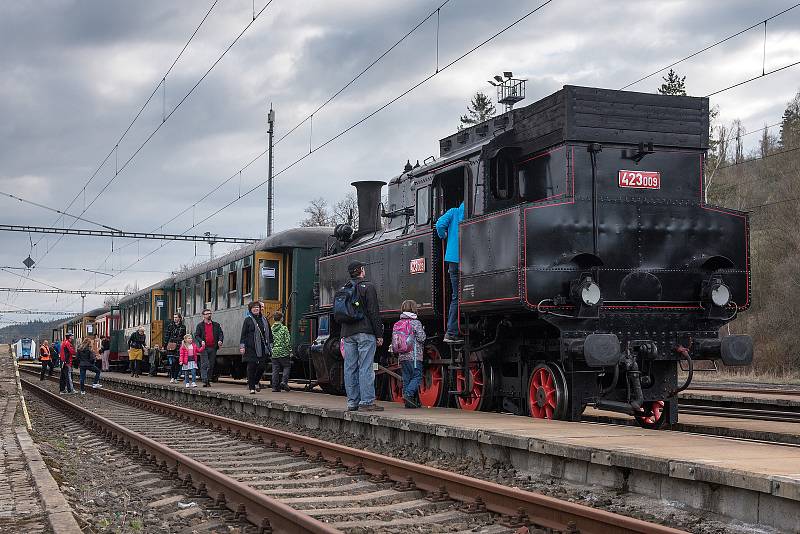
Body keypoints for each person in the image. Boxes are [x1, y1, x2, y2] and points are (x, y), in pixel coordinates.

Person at [340, 260, 384, 412]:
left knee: (350, 367)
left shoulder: (344, 288)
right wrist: (379, 334)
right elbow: (373, 312)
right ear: (361, 271)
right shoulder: (368, 287)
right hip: (365, 332)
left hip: (347, 333)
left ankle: (352, 402)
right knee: (365, 367)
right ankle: (366, 402)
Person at [435, 201, 465, 343]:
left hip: (453, 258)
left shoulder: (453, 211)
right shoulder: (473, 212)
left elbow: (439, 224)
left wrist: (444, 235)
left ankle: (452, 330)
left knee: (456, 296)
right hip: (470, 258)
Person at [393, 300, 426, 409]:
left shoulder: (397, 323)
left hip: (402, 356)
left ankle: (409, 402)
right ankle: (408, 394)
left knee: (407, 377)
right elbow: (422, 338)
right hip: (414, 355)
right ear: (414, 309)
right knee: (417, 376)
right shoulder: (415, 322)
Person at [239, 301, 273, 394]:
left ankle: (255, 381)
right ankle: (252, 387)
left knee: (262, 366)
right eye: (254, 307)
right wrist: (242, 346)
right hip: (250, 347)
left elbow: (269, 334)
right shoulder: (248, 320)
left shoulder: (265, 319)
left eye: (257, 307)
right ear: (250, 309)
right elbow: (243, 334)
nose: (256, 309)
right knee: (251, 367)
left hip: (262, 347)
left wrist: (271, 345)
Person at [194, 308, 224, 388]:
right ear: (203, 316)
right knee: (205, 364)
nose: (209, 315)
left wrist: (220, 340)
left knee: (211, 364)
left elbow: (221, 334)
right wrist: (201, 341)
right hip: (204, 348)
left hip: (213, 347)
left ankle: (208, 379)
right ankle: (204, 380)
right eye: (207, 314)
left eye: (210, 313)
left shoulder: (216, 325)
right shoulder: (200, 325)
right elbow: (196, 335)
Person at [270, 311, 292, 392]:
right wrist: (290, 351)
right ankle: (284, 382)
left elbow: (270, 341)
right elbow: (287, 341)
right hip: (283, 352)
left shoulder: (271, 329)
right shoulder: (284, 328)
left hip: (274, 352)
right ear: (282, 319)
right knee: (286, 366)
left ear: (274, 319)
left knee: (275, 369)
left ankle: (275, 387)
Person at [164, 314, 186, 384]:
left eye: (176, 317)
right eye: (174, 317)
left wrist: (185, 345)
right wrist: (165, 345)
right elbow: (167, 335)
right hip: (172, 345)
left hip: (179, 345)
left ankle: (176, 377)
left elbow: (184, 337)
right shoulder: (170, 326)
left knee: (178, 363)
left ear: (180, 318)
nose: (175, 319)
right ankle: (172, 377)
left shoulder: (183, 327)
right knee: (172, 362)